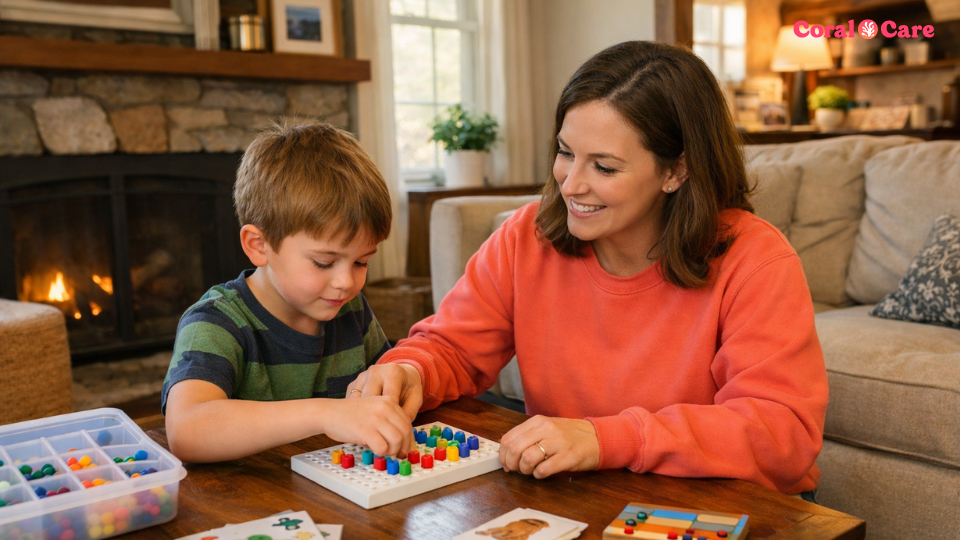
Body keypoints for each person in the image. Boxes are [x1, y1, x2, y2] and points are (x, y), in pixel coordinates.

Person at [346, 41, 829, 498]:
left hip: (730, 505)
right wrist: (410, 370)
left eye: (604, 166)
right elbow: (452, 347)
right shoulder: (526, 236)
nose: (571, 184)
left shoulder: (756, 259)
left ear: (675, 171)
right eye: (565, 152)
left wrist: (606, 439)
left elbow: (779, 434)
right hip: (585, 494)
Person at [162, 122, 417, 463]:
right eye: (324, 263)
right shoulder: (216, 322)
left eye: (361, 262)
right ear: (259, 246)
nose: (345, 282)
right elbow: (187, 431)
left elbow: (384, 389)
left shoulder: (350, 310)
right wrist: (326, 414)